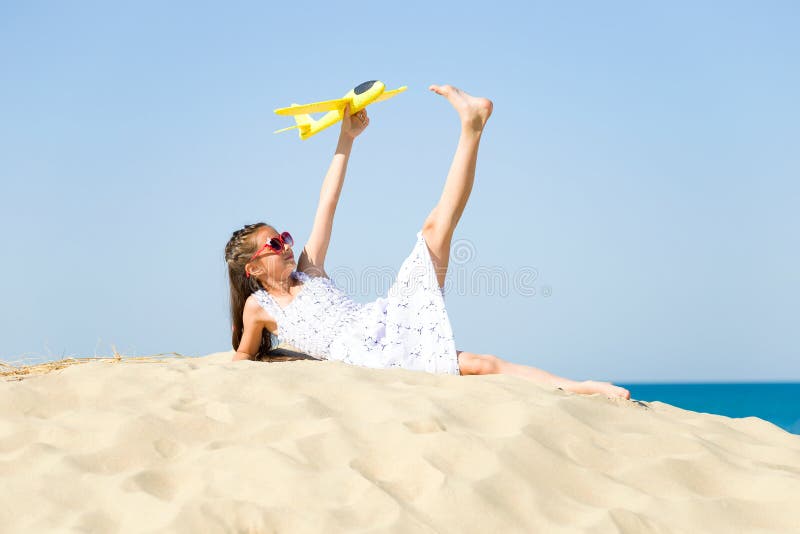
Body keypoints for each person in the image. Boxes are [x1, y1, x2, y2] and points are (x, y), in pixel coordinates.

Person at [224, 84, 630, 400]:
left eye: (284, 238)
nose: (287, 246)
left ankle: (471, 126)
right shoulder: (259, 306)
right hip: (368, 359)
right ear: (253, 268)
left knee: (435, 229)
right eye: (274, 245)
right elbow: (244, 356)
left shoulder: (309, 269)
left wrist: (346, 138)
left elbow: (327, 200)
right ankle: (581, 387)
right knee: (480, 363)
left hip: (384, 319)